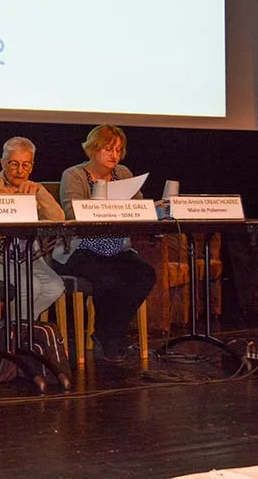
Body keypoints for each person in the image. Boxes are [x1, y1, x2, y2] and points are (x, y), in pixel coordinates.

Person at [53, 124, 155, 363]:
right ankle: (111, 337)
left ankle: (108, 333)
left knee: (145, 274)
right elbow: (71, 212)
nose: (114, 155)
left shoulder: (124, 174)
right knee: (109, 280)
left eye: (118, 150)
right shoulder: (74, 174)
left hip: (117, 248)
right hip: (81, 249)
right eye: (108, 149)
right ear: (92, 149)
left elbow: (139, 208)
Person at [0, 137, 65, 320]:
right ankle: (14, 337)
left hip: (28, 258)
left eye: (26, 165)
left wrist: (39, 193)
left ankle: (12, 328)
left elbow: (58, 219)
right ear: (3, 163)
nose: (20, 171)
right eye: (14, 164)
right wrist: (5, 199)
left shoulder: (34, 189)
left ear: (32, 167)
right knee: (30, 285)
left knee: (55, 287)